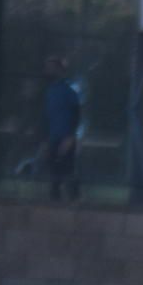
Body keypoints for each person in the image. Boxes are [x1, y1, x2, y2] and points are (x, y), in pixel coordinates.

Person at [40, 58, 84, 202]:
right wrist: (46, 140)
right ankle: (55, 202)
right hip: (53, 138)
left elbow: (76, 114)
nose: (48, 71)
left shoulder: (68, 91)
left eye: (51, 68)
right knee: (54, 174)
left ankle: (75, 200)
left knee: (67, 171)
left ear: (59, 70)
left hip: (65, 138)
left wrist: (70, 137)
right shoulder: (50, 91)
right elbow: (47, 117)